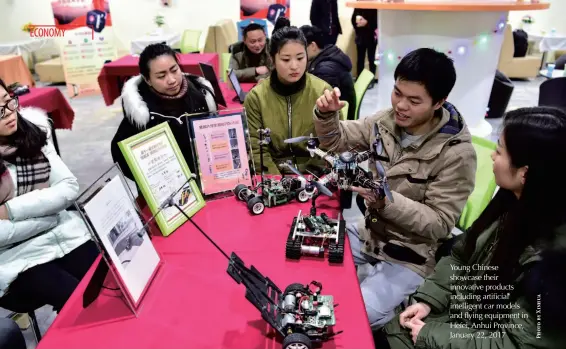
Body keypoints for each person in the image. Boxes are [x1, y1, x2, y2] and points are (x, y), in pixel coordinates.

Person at [312, 48, 477, 328]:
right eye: (397, 92)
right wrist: (326, 115)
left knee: (353, 317)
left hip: (411, 254)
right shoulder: (385, 122)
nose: (401, 105)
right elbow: (337, 141)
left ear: (439, 102)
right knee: (310, 254)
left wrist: (384, 202)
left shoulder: (456, 154)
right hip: (372, 232)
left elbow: (439, 223)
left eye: (414, 100)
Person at [380, 106, 566, 349]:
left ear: (524, 173)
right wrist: (429, 301)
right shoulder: (511, 205)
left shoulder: (554, 263)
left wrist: (430, 336)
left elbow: (521, 343)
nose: (492, 156)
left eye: (499, 151)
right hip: (454, 324)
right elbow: (460, 257)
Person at [0, 78, 98, 313]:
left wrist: (10, 210)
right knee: (77, 302)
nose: (8, 113)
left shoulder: (32, 132)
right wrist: (49, 213)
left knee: (107, 282)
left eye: (8, 102)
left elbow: (68, 187)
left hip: (64, 234)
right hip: (16, 259)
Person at [110, 43, 217, 180]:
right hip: (167, 186)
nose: (171, 80)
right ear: (147, 79)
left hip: (207, 179)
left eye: (174, 70)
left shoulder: (202, 96)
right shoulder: (141, 113)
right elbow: (122, 157)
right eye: (161, 76)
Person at [245, 26, 340, 176]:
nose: (294, 66)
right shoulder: (256, 98)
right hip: (275, 177)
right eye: (286, 59)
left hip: (315, 175)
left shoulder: (322, 91)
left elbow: (330, 143)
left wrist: (309, 178)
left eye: (301, 58)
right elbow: (257, 150)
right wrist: (278, 183)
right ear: (272, 59)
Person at [300, 25, 355, 120]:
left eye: (301, 49)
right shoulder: (331, 53)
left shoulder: (325, 71)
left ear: (313, 46)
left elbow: (320, 105)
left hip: (338, 122)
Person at [351, 9, 378, 86]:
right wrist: (357, 24)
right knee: (360, 59)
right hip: (360, 37)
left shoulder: (373, 7)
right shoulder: (358, 6)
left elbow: (377, 22)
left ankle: (371, 80)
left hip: (371, 37)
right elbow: (353, 20)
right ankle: (359, 78)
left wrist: (366, 23)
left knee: (371, 59)